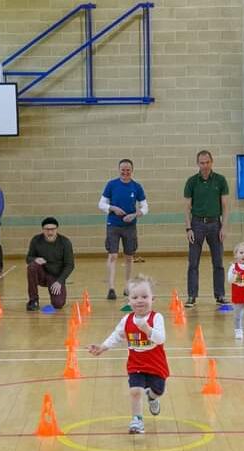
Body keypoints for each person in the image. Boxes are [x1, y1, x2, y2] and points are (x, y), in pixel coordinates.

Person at [88, 275, 168, 434]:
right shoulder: (127, 320)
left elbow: (160, 339)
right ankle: (137, 420)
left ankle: (152, 398)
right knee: (135, 391)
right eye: (135, 297)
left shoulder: (156, 318)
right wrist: (102, 347)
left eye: (145, 297)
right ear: (129, 301)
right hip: (136, 364)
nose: (140, 300)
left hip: (156, 364)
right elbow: (117, 335)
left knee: (158, 390)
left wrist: (147, 329)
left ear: (153, 299)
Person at [183, 150, 230, 308]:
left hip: (215, 224)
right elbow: (186, 208)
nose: (205, 165)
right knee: (193, 262)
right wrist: (188, 228)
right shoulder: (191, 182)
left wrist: (224, 227)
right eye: (202, 163)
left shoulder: (220, 180)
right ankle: (192, 296)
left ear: (212, 162)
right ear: (198, 164)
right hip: (196, 225)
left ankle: (220, 295)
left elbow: (225, 206)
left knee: (218, 262)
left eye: (207, 162)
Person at [99, 159, 149, 300]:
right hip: (113, 225)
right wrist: (112, 208)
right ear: (119, 170)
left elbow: (145, 207)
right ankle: (111, 288)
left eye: (128, 170)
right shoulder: (111, 185)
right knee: (113, 255)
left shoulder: (136, 187)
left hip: (130, 226)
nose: (125, 172)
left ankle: (128, 286)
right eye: (123, 169)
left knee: (129, 257)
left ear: (132, 171)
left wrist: (135, 214)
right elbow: (101, 204)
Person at [25, 217, 75, 311]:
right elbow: (28, 258)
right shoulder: (36, 240)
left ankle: (56, 295)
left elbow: (70, 265)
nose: (50, 232)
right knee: (32, 266)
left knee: (58, 304)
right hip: (41, 274)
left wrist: (60, 281)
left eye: (53, 229)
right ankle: (33, 300)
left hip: (56, 277)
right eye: (47, 229)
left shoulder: (65, 242)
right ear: (43, 230)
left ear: (57, 229)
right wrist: (35, 259)